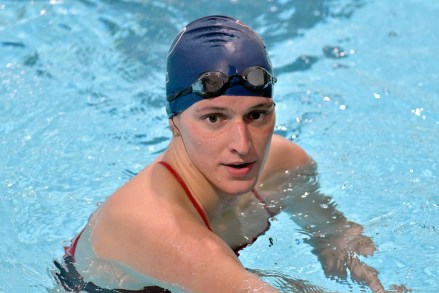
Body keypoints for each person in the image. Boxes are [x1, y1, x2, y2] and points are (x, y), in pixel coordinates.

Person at [54, 15, 406, 293]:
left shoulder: (286, 165)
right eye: (213, 118)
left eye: (257, 114)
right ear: (174, 123)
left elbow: (336, 236)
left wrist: (376, 280)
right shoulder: (158, 227)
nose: (242, 144)